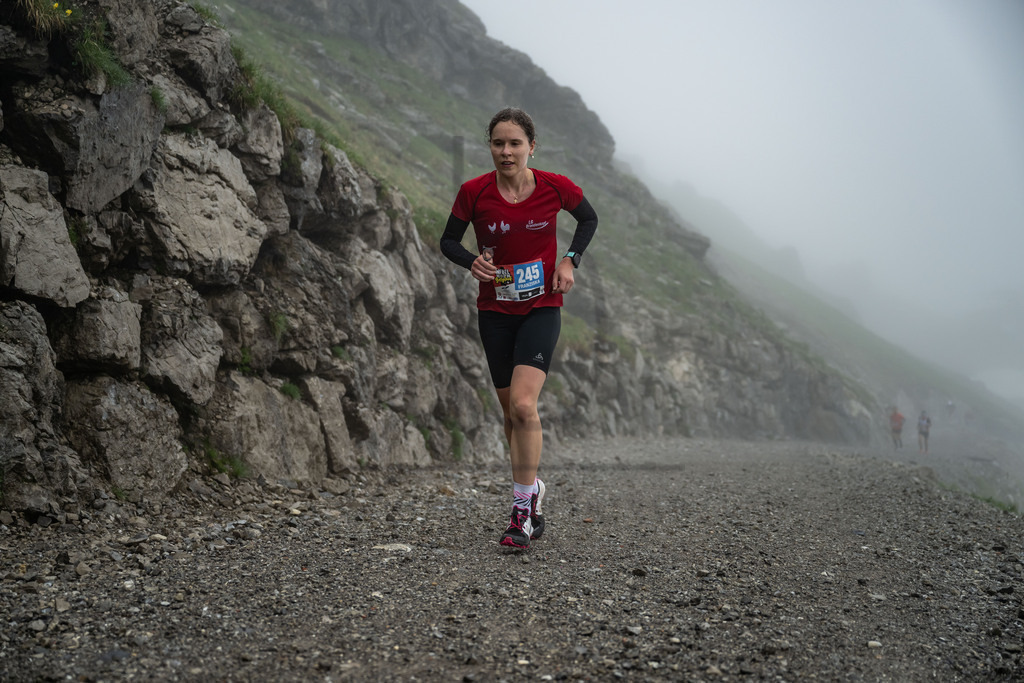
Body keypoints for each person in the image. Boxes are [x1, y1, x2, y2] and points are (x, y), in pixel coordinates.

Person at [440, 107, 598, 549]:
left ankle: (521, 514)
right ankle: (533, 490)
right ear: (489, 146)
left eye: (514, 143)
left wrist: (570, 259)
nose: (506, 152)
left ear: (532, 146)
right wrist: (470, 260)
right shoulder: (473, 192)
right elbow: (447, 240)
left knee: (525, 408)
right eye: (497, 143)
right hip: (494, 311)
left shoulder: (553, 187)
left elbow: (588, 219)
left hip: (542, 307)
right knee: (511, 415)